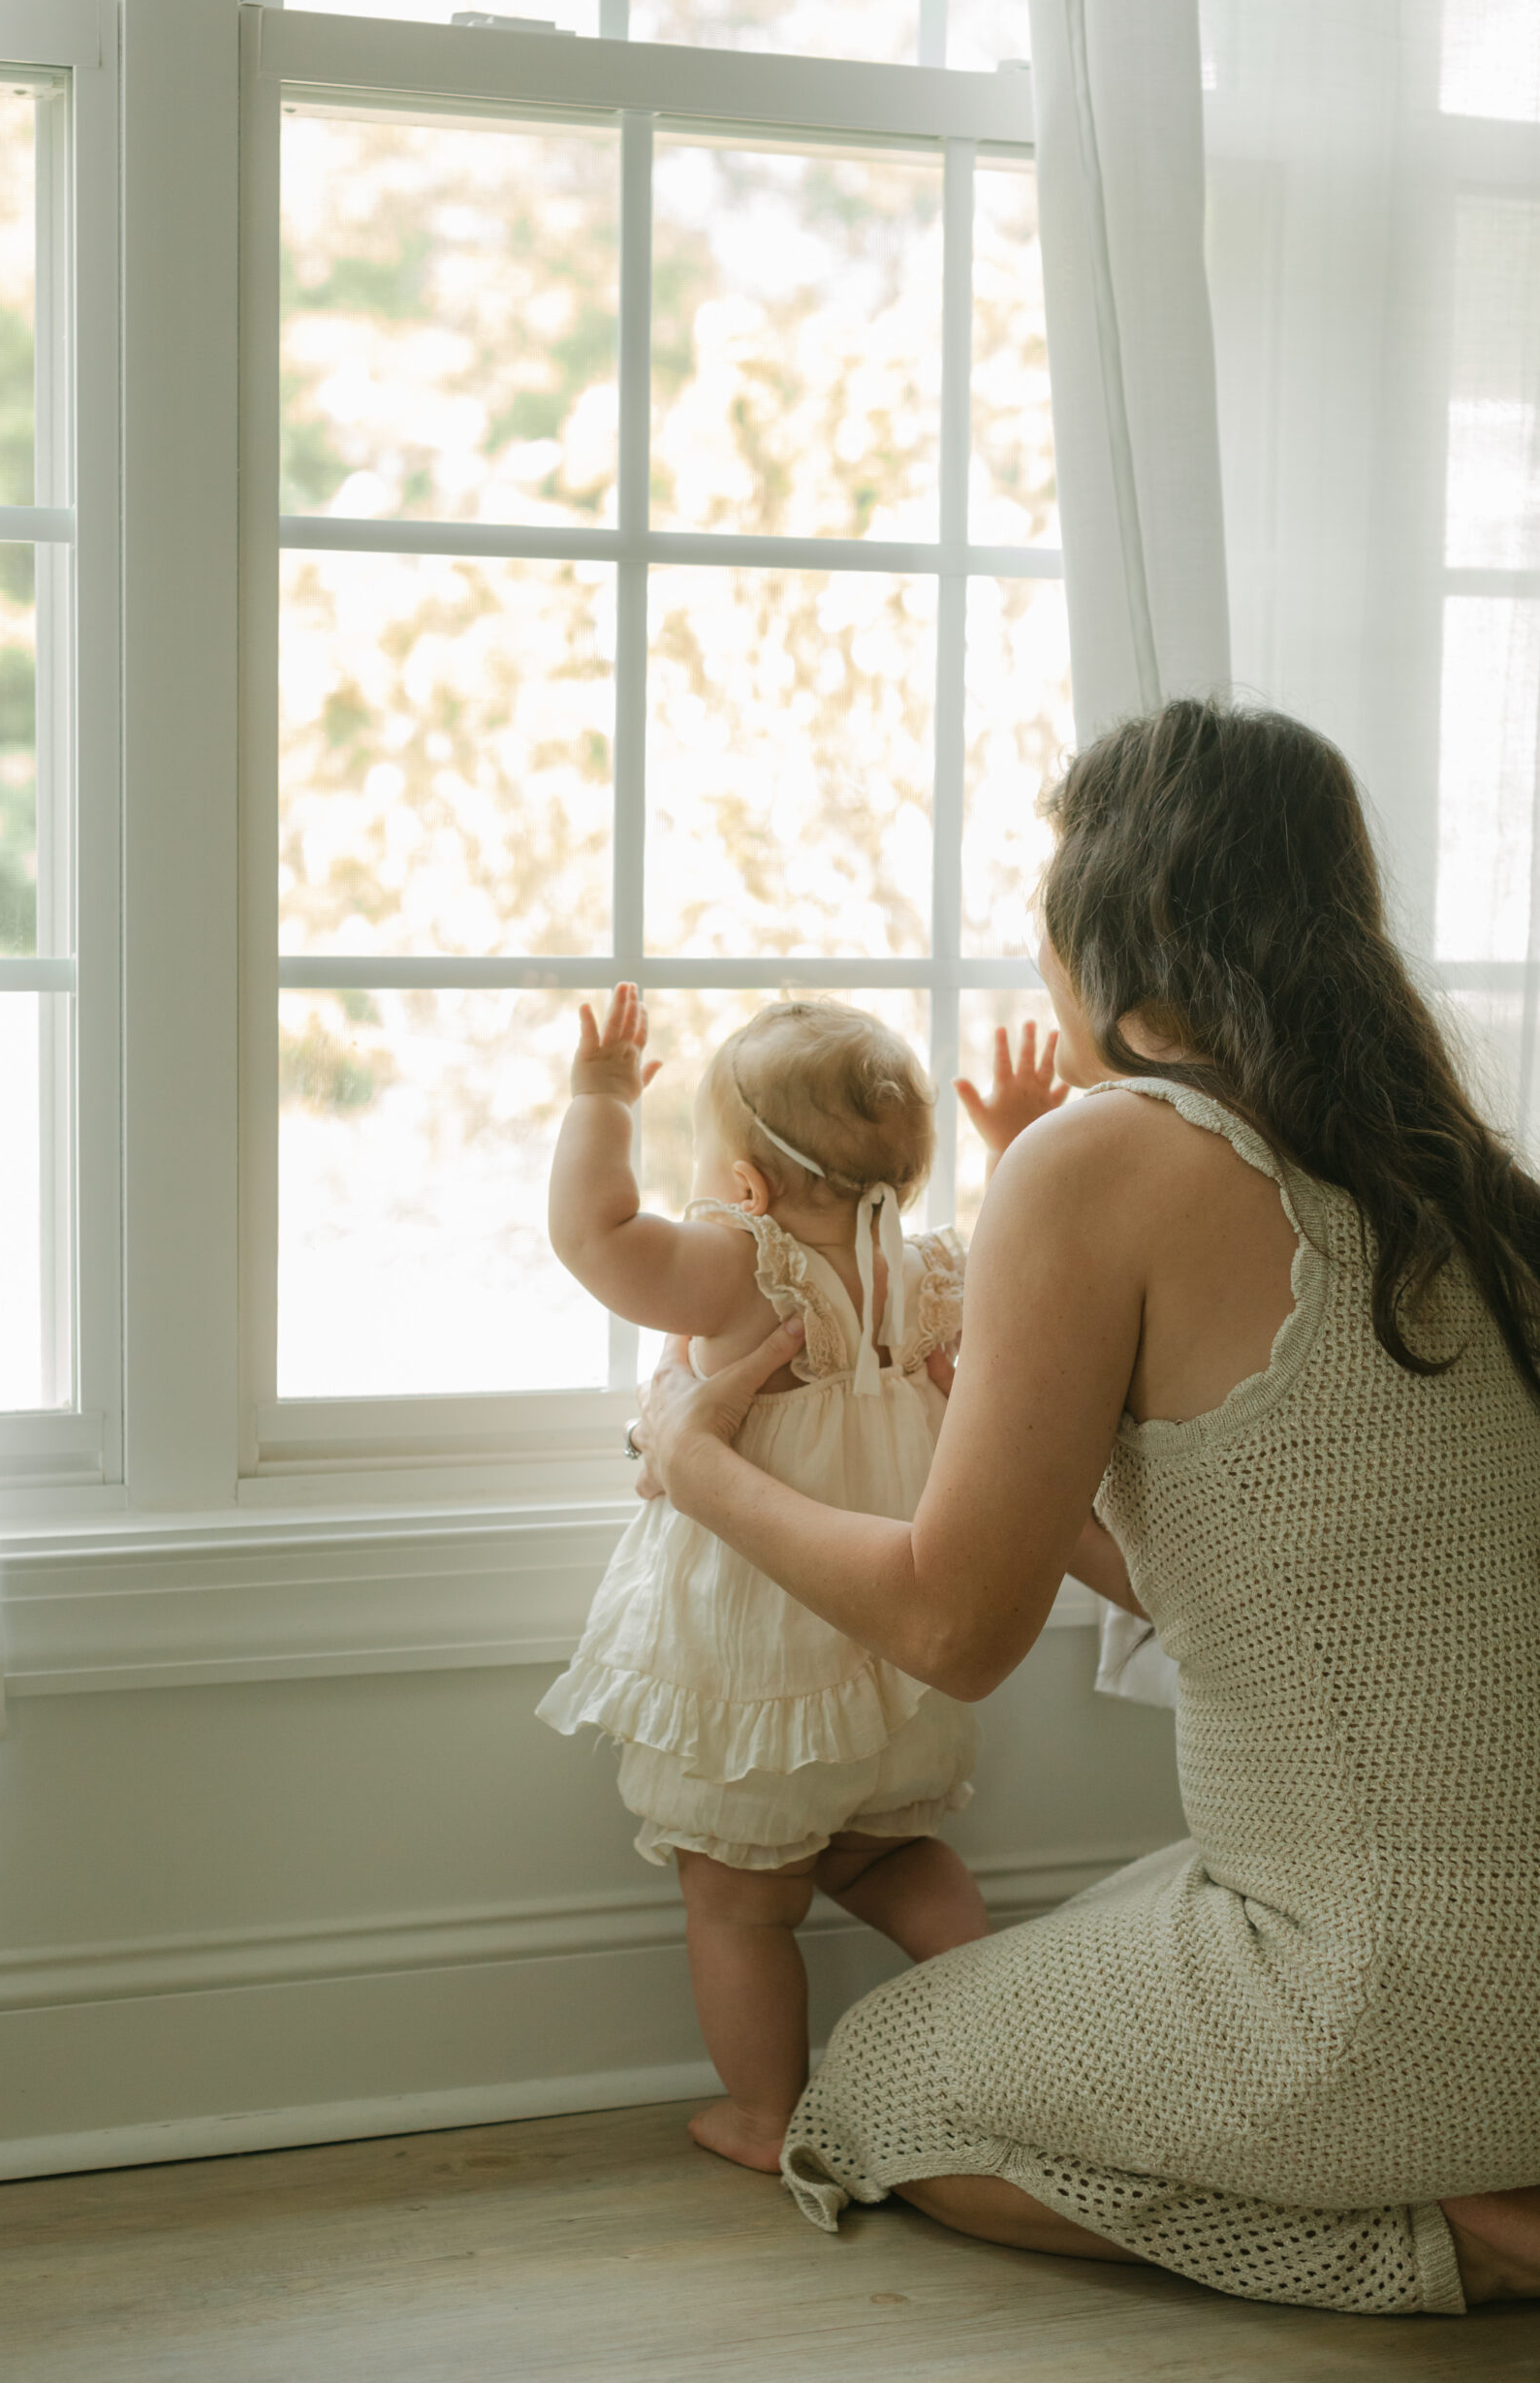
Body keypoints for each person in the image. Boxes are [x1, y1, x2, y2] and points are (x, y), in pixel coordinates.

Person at [632, 701, 1540, 2316]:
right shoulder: (1450, 1173)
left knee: (875, 2092)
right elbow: (1247, 1578)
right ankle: (1460, 2151)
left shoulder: (1096, 1156)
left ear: (1109, 922)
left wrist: (697, 1466)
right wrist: (1011, 1427)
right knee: (1126, 1911)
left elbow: (947, 1630)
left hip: (1389, 1993)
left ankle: (1466, 2230)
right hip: (1495, 1965)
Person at [539, 989, 1064, 2172]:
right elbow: (1037, 1258)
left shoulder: (741, 1267)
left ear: (751, 1185)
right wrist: (1021, 1146)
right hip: (895, 1660)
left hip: (760, 1675)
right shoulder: (927, 1276)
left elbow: (595, 1239)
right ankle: (1010, 2031)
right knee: (888, 1853)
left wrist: (601, 1101)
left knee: (739, 1900)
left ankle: (766, 2113)